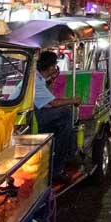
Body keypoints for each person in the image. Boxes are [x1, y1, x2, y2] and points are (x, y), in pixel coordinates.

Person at [33, 51, 82, 185]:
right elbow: (54, 102)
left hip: (37, 115)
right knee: (66, 114)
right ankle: (61, 165)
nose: (55, 68)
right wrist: (74, 100)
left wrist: (53, 79)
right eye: (54, 65)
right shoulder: (35, 81)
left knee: (65, 127)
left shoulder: (38, 78)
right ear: (49, 67)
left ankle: (69, 153)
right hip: (33, 120)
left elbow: (47, 99)